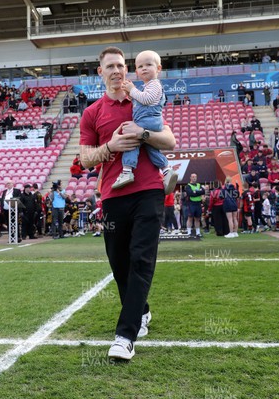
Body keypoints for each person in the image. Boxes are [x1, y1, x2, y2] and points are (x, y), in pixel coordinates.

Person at [79, 46, 176, 360]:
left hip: (148, 190)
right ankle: (141, 310)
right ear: (101, 72)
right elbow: (84, 158)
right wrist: (111, 145)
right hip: (112, 195)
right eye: (110, 66)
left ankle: (125, 336)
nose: (117, 71)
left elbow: (170, 141)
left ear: (127, 69)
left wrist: (143, 133)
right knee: (119, 262)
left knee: (141, 258)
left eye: (121, 65)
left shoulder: (144, 97)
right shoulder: (92, 112)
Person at [114, 50, 178, 194]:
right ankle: (166, 170)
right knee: (151, 148)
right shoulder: (147, 86)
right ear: (136, 71)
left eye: (148, 65)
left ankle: (127, 170)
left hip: (148, 121)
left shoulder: (154, 84)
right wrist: (131, 93)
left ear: (158, 69)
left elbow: (147, 99)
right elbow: (141, 100)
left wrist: (133, 89)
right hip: (148, 121)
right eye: (140, 66)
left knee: (132, 139)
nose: (144, 68)